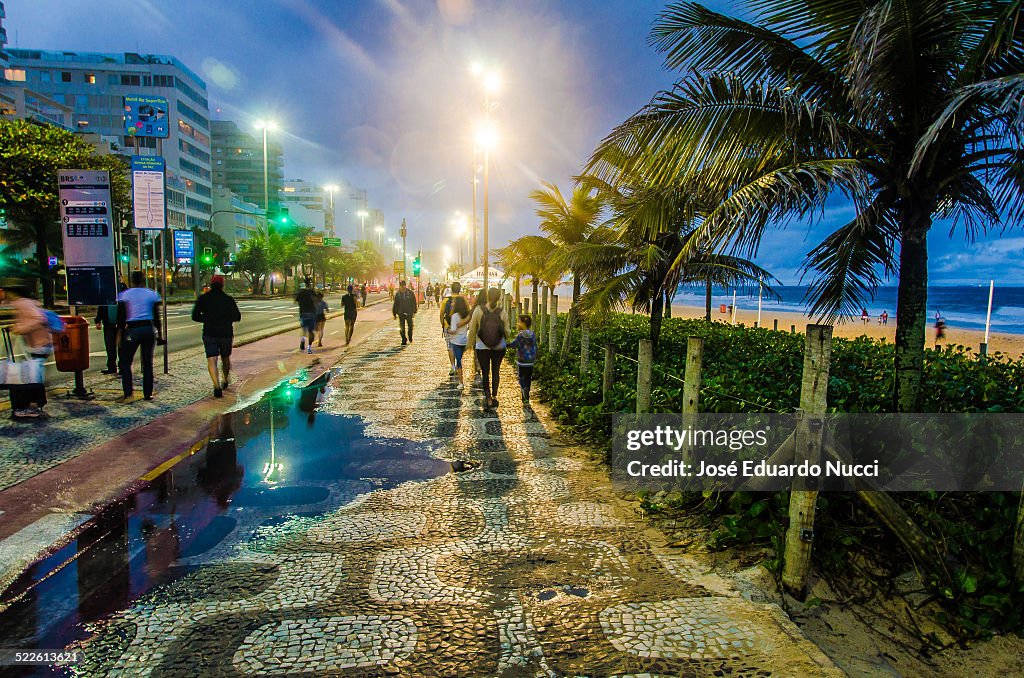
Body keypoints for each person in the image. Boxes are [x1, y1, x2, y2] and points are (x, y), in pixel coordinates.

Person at [1, 281, 52, 420]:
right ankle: (34, 405)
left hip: (37, 345)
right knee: (32, 376)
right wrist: (16, 326)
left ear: (13, 293)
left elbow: (39, 319)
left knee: (26, 378)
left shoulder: (22, 303)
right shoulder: (28, 302)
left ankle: (27, 407)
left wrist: (19, 329)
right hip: (40, 344)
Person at [191, 275, 241, 398]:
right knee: (225, 357)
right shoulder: (228, 299)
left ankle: (216, 385)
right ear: (222, 285)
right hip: (225, 333)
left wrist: (207, 319)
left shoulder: (204, 299)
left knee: (211, 359)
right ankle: (225, 379)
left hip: (209, 332)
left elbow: (195, 316)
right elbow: (237, 316)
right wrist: (226, 319)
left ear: (211, 285)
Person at [117, 270, 163, 401]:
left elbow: (121, 317)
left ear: (132, 280)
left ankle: (128, 393)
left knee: (126, 362)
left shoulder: (125, 295)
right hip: (148, 329)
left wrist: (119, 335)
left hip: (133, 329)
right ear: (143, 280)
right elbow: (156, 317)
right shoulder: (151, 294)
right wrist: (159, 335)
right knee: (147, 362)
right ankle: (148, 393)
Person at [469, 287, 508, 408]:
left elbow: (472, 330)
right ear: (499, 298)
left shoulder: (478, 310)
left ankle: (488, 397)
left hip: (482, 346)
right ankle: (495, 396)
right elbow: (507, 331)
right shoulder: (502, 311)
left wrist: (469, 344)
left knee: (485, 373)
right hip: (499, 347)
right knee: (496, 371)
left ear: (487, 297)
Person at [94, 284, 124, 375]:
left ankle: (122, 367)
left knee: (121, 347)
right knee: (110, 347)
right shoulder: (106, 292)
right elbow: (102, 307)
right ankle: (111, 367)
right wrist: (98, 320)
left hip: (120, 325)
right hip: (108, 324)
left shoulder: (122, 289)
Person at [507, 314, 537, 404]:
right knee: (528, 378)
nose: (517, 323)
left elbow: (514, 345)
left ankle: (523, 389)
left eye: (519, 322)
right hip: (530, 361)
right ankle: (526, 396)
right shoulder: (532, 334)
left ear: (523, 323)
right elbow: (535, 346)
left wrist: (505, 344)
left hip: (522, 361)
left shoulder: (520, 335)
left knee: (521, 377)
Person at [440, 281, 466, 376]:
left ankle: (453, 367)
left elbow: (441, 314)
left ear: (451, 289)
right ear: (460, 289)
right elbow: (468, 313)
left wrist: (443, 325)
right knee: (458, 346)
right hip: (460, 327)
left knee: (450, 347)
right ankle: (459, 365)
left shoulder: (446, 301)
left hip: (448, 326)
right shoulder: (463, 300)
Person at [448, 295, 471, 390]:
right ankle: (460, 381)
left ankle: (461, 383)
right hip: (464, 341)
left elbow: (453, 330)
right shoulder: (467, 315)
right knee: (459, 359)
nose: (452, 304)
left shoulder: (454, 316)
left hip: (456, 341)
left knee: (459, 362)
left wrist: (449, 330)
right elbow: (469, 327)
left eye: (454, 302)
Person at [295, 278, 317, 354]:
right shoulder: (312, 292)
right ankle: (309, 348)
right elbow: (316, 301)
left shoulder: (301, 292)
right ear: (310, 283)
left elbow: (296, 301)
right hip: (311, 313)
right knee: (311, 332)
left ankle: (303, 340)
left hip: (303, 313)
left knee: (304, 330)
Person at [392, 280, 418, 345]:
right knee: (401, 327)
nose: (402, 287)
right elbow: (395, 304)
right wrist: (394, 313)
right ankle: (403, 339)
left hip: (409, 312)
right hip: (401, 313)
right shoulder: (398, 294)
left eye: (403, 286)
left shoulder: (410, 293)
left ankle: (410, 336)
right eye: (401, 286)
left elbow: (414, 302)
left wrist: (414, 311)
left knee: (410, 326)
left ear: (405, 285)